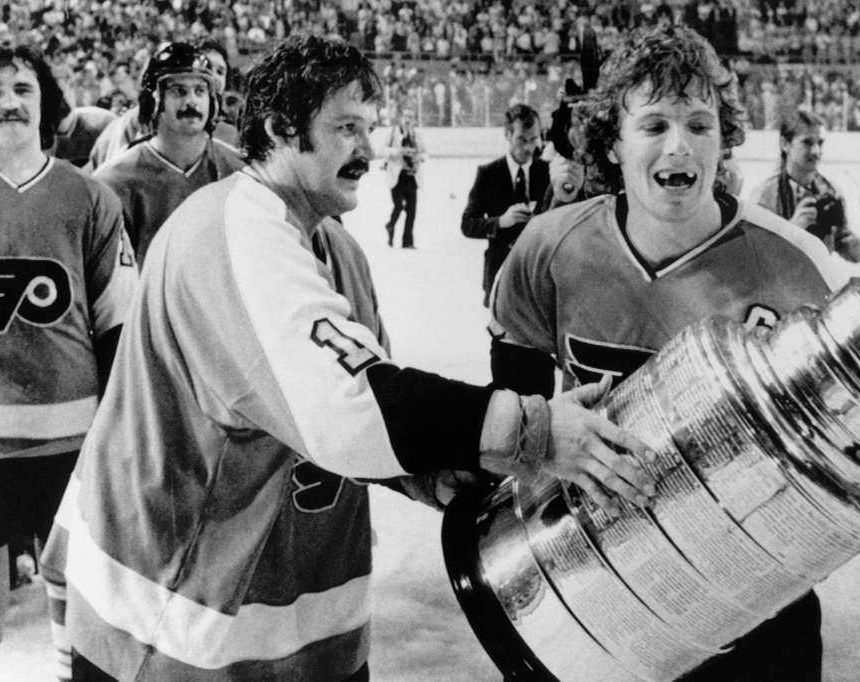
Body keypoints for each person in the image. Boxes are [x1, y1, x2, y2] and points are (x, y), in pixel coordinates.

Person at [41, 35, 655, 682]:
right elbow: (351, 409)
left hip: (310, 630)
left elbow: (367, 401)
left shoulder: (338, 249)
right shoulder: (227, 230)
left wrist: (422, 474)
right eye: (346, 128)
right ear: (279, 128)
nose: (368, 150)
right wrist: (534, 430)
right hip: (179, 630)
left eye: (370, 128)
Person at [490, 25, 860, 682]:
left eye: (699, 124)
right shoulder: (549, 248)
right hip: (598, 602)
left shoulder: (792, 265)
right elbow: (511, 429)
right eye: (653, 125)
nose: (679, 144)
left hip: (757, 621)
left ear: (723, 138)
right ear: (611, 142)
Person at [0, 33, 137, 682]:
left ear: (45, 102)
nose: (9, 102)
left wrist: (119, 434)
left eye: (23, 89)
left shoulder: (90, 197)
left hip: (72, 438)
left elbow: (119, 323)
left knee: (76, 583)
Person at [94, 42, 243, 267]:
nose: (191, 101)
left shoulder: (239, 171)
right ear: (153, 101)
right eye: (179, 91)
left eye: (200, 91)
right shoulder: (113, 181)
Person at [84, 38, 238, 171]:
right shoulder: (130, 125)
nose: (215, 78)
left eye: (220, 71)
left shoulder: (230, 136)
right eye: (180, 90)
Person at [751, 109, 860, 263]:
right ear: (785, 144)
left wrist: (856, 246)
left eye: (820, 143)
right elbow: (756, 257)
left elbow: (851, 253)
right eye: (807, 142)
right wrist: (793, 229)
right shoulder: (766, 194)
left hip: (820, 282)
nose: (816, 151)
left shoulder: (830, 191)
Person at [461, 103, 548, 307]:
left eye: (533, 139)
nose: (528, 147)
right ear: (507, 134)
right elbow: (467, 224)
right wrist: (500, 222)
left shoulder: (549, 173)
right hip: (500, 275)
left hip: (539, 276)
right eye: (521, 139)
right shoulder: (488, 174)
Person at [382, 106, 425, 248]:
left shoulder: (417, 134)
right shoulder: (393, 132)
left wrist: (419, 156)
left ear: (414, 120)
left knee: (412, 211)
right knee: (399, 205)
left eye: (411, 117)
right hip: (397, 176)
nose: (407, 120)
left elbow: (426, 152)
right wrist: (399, 151)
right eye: (405, 116)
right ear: (401, 118)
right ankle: (391, 225)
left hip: (412, 176)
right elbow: (382, 149)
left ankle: (407, 241)